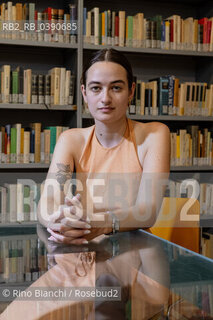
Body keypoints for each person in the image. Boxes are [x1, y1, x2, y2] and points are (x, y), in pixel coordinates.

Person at [37, 48, 170, 245]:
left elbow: (147, 211)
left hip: (135, 252)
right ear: (84, 92)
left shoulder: (154, 135)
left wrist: (99, 223)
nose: (105, 98)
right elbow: (48, 199)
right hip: (82, 245)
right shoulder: (70, 140)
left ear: (131, 91)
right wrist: (60, 221)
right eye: (96, 88)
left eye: (116, 88)